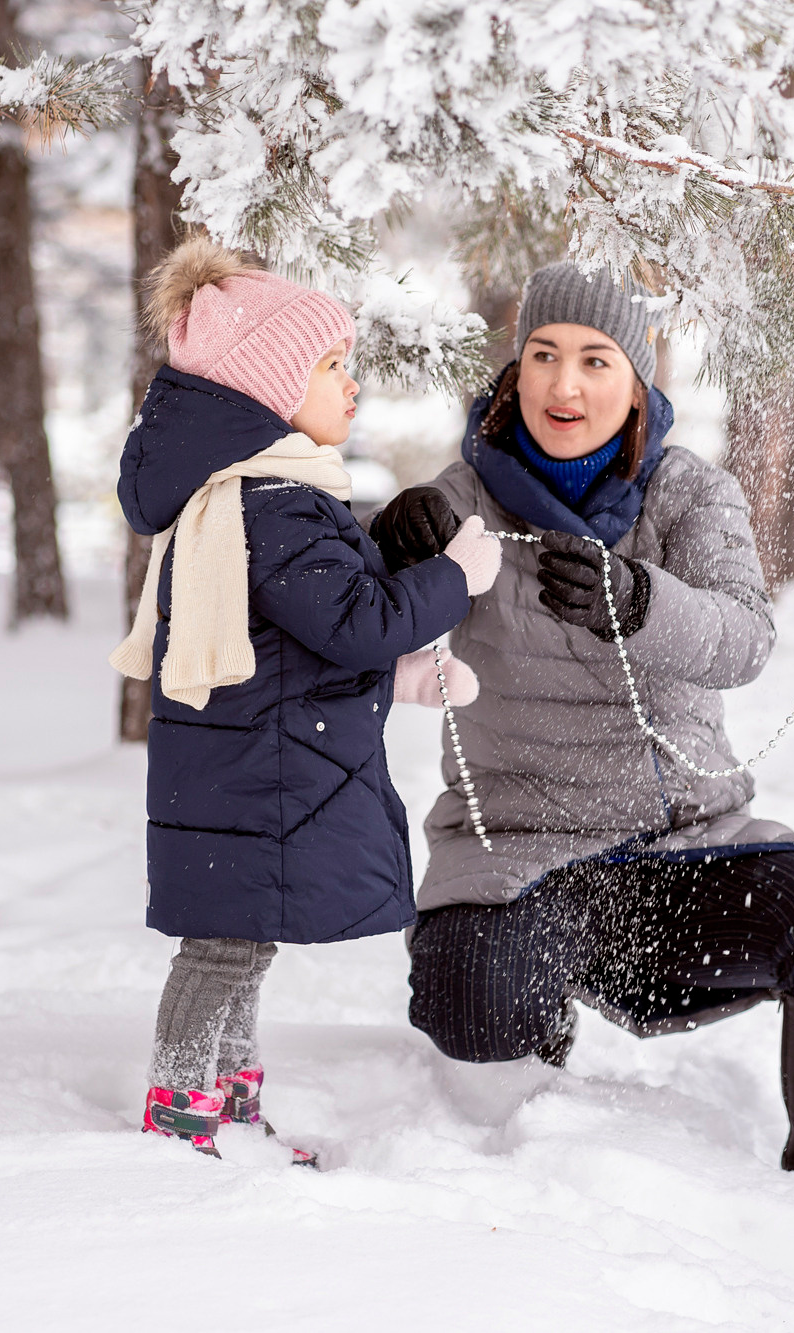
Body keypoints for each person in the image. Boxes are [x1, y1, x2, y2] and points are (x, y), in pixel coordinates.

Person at [372, 260, 794, 1171]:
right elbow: (363, 629)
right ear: (515, 371)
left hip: (682, 847)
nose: (563, 384)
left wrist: (642, 600)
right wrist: (387, 544)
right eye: (542, 355)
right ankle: (537, 1158)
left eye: (594, 359)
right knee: (469, 992)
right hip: (519, 856)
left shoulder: (690, 492)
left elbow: (744, 639)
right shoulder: (460, 503)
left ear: (639, 379)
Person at [113, 237, 500, 1161]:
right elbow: (356, 622)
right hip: (258, 780)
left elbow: (294, 645)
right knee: (223, 953)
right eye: (330, 367)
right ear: (267, 389)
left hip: (249, 771)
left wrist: (398, 679)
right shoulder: (274, 501)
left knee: (241, 947)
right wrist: (452, 579)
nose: (350, 385)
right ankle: (181, 1115)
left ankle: (232, 1112)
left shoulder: (256, 497)